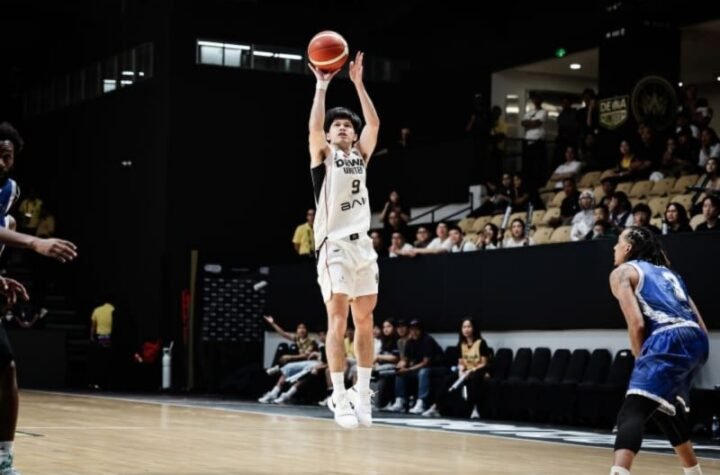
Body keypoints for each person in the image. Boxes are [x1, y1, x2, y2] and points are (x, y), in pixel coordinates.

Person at [0, 122, 78, 475]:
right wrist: (36, 242)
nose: (1, 162)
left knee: (6, 369)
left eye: (7, 156)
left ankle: (3, 460)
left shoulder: (10, 192)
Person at [308, 51, 380, 429]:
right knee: (337, 320)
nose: (341, 128)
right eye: (336, 125)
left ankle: (362, 393)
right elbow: (313, 128)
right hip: (333, 245)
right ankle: (338, 394)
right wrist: (322, 86)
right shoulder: (323, 158)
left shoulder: (361, 157)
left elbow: (374, 123)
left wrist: (358, 84)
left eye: (346, 126)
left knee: (365, 320)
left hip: (362, 247)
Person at [608, 227, 709, 475]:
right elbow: (701, 326)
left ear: (628, 248)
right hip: (697, 340)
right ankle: (694, 473)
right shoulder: (671, 274)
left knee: (632, 411)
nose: (614, 247)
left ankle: (619, 472)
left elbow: (637, 323)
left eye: (618, 242)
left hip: (667, 338)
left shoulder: (622, 272)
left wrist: (640, 357)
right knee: (665, 410)